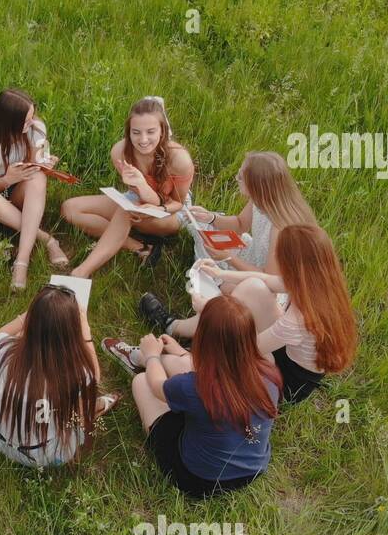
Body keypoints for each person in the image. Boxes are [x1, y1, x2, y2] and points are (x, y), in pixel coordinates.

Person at [137, 151, 317, 338]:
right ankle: (211, 301)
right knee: (208, 232)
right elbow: (240, 224)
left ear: (256, 185)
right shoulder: (260, 200)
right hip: (254, 260)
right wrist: (212, 218)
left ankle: (178, 326)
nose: (237, 178)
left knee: (226, 288)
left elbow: (268, 278)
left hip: (268, 286)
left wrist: (228, 258)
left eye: (241, 176)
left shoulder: (280, 227)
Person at [127, 296, 281, 498]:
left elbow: (157, 387)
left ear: (203, 337)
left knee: (141, 382)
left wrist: (152, 355)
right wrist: (182, 354)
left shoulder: (195, 386)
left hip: (199, 478)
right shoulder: (269, 373)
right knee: (186, 380)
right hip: (252, 469)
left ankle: (135, 357)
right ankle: (170, 359)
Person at [193, 224, 357, 404]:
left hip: (285, 383)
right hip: (286, 350)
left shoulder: (298, 319)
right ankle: (197, 330)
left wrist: (209, 308)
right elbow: (264, 280)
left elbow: (249, 349)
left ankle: (200, 346)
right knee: (253, 287)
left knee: (234, 336)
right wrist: (219, 272)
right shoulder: (315, 282)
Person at [0, 285, 120, 468]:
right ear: (72, 333)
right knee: (79, 411)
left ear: (30, 321)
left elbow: (1, 333)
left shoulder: (3, 348)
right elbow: (94, 376)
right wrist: (86, 333)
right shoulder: (77, 374)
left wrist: (38, 312)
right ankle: (99, 406)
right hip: (40, 455)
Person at [60, 97, 194, 276]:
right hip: (139, 203)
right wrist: (139, 191)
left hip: (171, 212)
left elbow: (177, 203)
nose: (143, 140)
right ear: (128, 132)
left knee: (125, 210)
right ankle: (140, 247)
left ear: (162, 131)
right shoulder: (120, 152)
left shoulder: (180, 160)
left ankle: (81, 272)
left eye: (151, 132)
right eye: (136, 132)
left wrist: (150, 201)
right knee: (69, 208)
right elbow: (136, 195)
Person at [0, 88, 70, 289]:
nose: (31, 122)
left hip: (18, 192)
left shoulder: (35, 128)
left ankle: (21, 261)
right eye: (26, 120)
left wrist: (44, 164)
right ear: (8, 121)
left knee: (38, 177)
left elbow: (34, 164)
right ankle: (46, 239)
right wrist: (6, 179)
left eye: (32, 116)